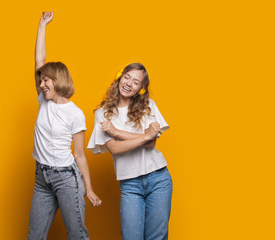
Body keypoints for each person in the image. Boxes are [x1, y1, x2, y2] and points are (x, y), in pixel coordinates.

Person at [27, 11, 101, 240]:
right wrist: (42, 25)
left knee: (77, 235)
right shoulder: (43, 101)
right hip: (42, 178)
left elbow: (79, 155)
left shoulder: (75, 114)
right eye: (41, 80)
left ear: (57, 80)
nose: (41, 83)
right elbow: (39, 61)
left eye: (46, 80)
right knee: (34, 237)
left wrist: (88, 188)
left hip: (66, 178)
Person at [87, 63, 172, 240]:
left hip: (159, 178)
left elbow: (150, 145)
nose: (128, 84)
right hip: (130, 184)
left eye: (136, 82)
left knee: (158, 237)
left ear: (141, 88)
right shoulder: (102, 113)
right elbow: (116, 149)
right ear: (119, 77)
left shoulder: (148, 105)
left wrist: (116, 132)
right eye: (127, 77)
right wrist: (145, 135)